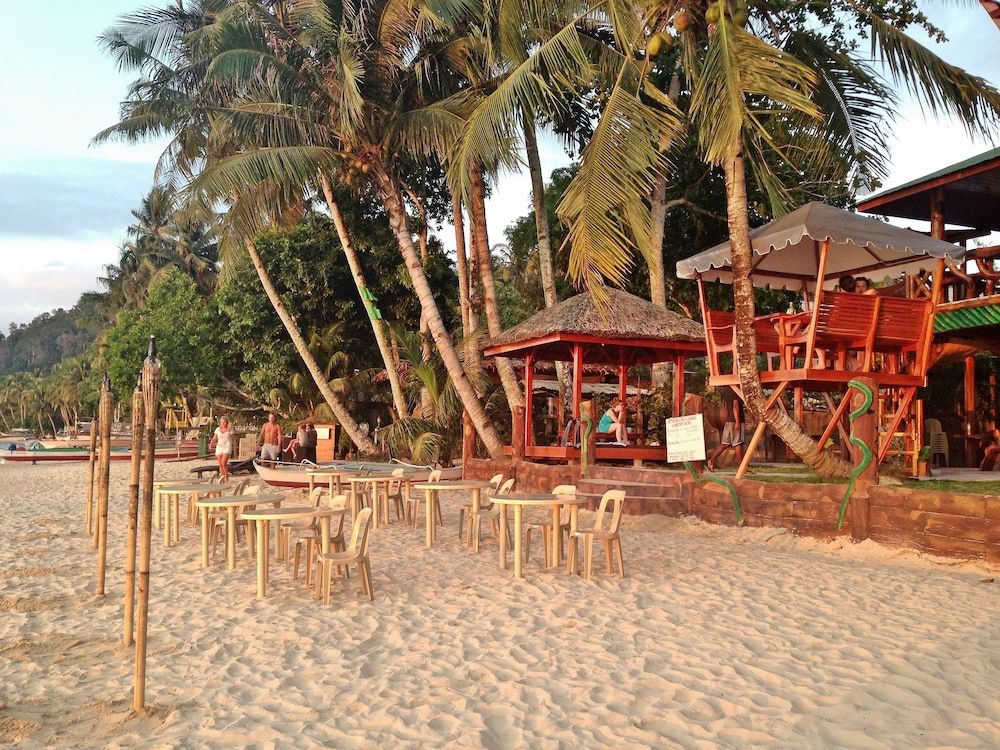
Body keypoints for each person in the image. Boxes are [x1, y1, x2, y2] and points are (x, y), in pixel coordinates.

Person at [706, 398, 743, 472]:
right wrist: (738, 421)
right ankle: (742, 468)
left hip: (729, 421)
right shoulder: (735, 391)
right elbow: (735, 405)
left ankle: (711, 461)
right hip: (734, 421)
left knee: (725, 444)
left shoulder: (729, 390)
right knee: (739, 444)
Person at [208, 417, 233, 482]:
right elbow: (214, 438)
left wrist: (235, 450)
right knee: (220, 464)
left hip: (227, 447)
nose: (223, 423)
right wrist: (211, 444)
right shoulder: (217, 429)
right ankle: (222, 477)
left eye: (224, 422)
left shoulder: (230, 429)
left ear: (227, 423)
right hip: (219, 447)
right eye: (221, 422)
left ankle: (226, 476)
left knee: (223, 463)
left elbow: (233, 439)